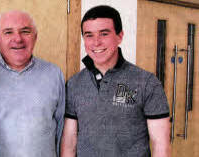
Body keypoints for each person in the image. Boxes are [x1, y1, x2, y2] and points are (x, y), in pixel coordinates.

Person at [61, 5, 170, 157]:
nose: (96, 42)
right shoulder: (74, 84)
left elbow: (161, 145)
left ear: (120, 36)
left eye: (104, 34)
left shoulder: (147, 83)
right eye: (89, 35)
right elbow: (69, 142)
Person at [0, 10, 65, 157]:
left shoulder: (54, 74)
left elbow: (63, 131)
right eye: (8, 32)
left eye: (25, 31)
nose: (18, 39)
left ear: (35, 36)